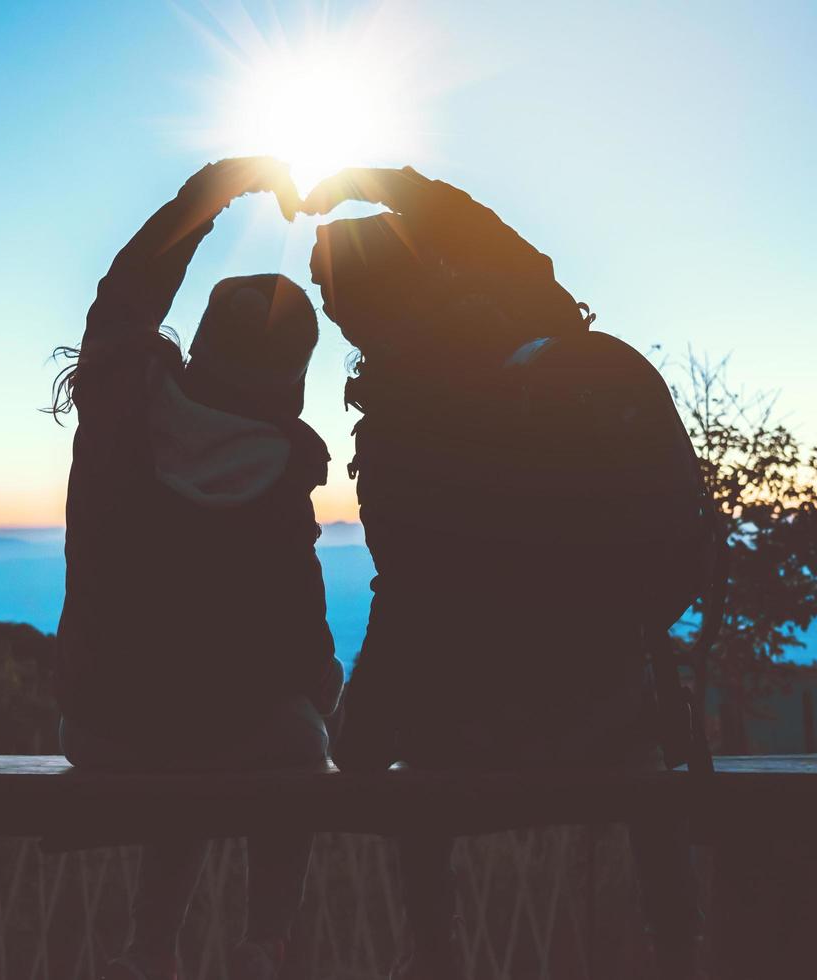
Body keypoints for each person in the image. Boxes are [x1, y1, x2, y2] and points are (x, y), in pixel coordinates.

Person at [301, 167, 703, 980]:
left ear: (356, 316)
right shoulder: (538, 342)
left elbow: (408, 592)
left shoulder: (401, 422)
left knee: (418, 755)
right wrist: (379, 181)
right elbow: (497, 242)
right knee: (642, 768)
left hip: (469, 730)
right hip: (614, 715)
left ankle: (436, 954)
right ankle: (679, 953)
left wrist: (360, 737)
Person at [52, 157, 344, 980]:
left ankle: (149, 949)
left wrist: (217, 186)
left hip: (101, 728)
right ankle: (265, 940)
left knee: (183, 713)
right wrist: (321, 697)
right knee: (284, 731)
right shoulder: (282, 477)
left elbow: (125, 296)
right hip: (241, 734)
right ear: (291, 377)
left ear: (206, 346)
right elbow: (305, 639)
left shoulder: (121, 416)